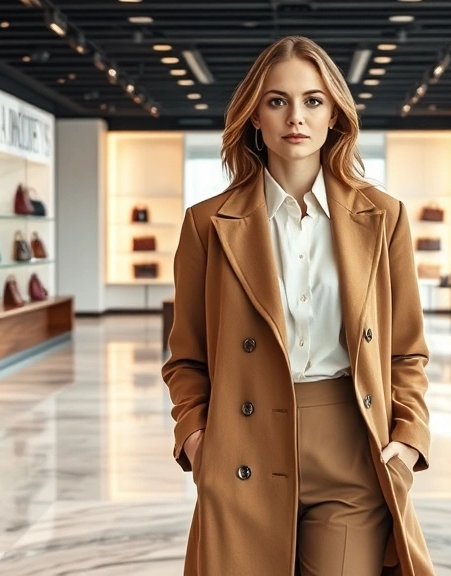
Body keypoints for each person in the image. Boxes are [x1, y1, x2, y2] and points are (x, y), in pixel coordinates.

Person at [162, 35, 434, 576]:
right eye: (277, 100)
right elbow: (185, 359)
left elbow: (406, 349)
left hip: (351, 448)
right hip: (244, 446)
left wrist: (407, 438)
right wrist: (197, 442)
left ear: (335, 114)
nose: (296, 117)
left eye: (313, 100)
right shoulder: (206, 224)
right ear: (254, 116)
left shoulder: (384, 217)